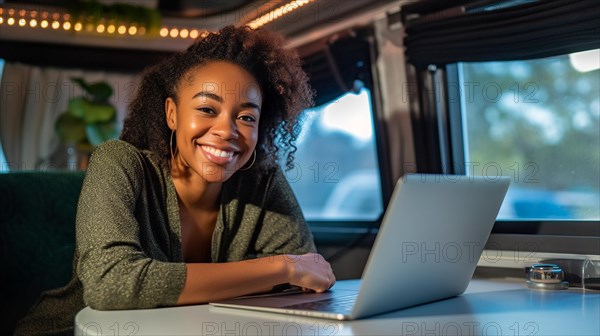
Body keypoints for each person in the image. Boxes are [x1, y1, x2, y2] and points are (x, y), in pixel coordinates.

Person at [15, 25, 335, 336]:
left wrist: (291, 268)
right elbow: (110, 285)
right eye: (207, 108)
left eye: (246, 117)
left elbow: (311, 274)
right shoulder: (118, 161)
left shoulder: (262, 180)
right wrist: (282, 267)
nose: (227, 131)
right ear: (172, 113)